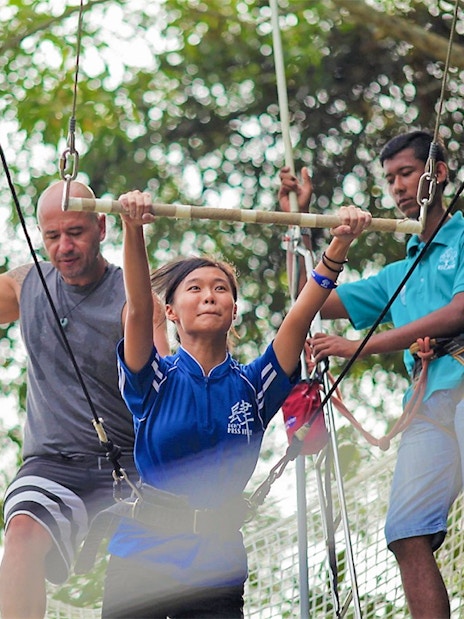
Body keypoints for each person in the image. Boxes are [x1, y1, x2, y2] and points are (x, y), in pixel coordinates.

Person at [97, 189, 371, 618]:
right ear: (170, 311)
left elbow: (299, 315)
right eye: (195, 288)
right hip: (142, 557)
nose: (209, 296)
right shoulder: (155, 378)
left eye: (220, 288)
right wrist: (133, 229)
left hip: (216, 565)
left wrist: (340, 243)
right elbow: (136, 310)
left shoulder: (253, 385)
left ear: (234, 309)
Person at [279, 130, 464, 619]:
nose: (399, 187)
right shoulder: (396, 272)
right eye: (390, 179)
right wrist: (305, 228)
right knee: (405, 534)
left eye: (407, 173)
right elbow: (311, 295)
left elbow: (459, 312)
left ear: (438, 174)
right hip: (427, 408)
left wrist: (358, 347)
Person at [0, 179, 169, 619]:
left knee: (145, 584)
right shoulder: (27, 284)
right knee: (20, 533)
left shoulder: (134, 300)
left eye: (75, 232)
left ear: (101, 227)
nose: (63, 247)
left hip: (130, 466)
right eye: (52, 236)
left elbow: (165, 385)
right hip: (53, 464)